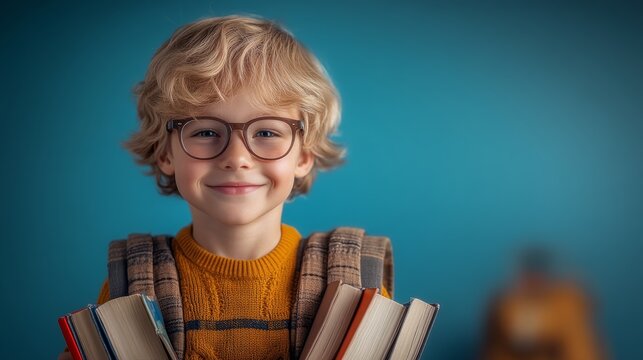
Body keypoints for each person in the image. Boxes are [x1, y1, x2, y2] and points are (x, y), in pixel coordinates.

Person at [58, 14, 391, 359]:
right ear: (165, 153)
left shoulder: (355, 283)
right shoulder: (130, 286)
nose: (237, 158)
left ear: (303, 155)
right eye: (204, 131)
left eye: (266, 132)